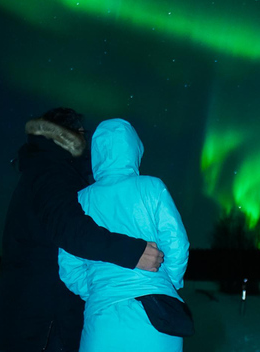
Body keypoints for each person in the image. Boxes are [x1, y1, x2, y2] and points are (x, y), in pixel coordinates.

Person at [0, 108, 165, 352]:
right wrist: (133, 252)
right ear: (70, 136)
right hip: (45, 322)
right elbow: (70, 228)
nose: (88, 142)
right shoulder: (51, 171)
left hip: (42, 316)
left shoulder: (50, 170)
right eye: (84, 133)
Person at [58, 118, 190, 352]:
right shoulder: (151, 187)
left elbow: (69, 265)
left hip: (102, 319)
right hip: (157, 317)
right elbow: (176, 243)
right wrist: (167, 280)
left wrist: (98, 290)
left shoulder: (80, 200)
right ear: (134, 148)